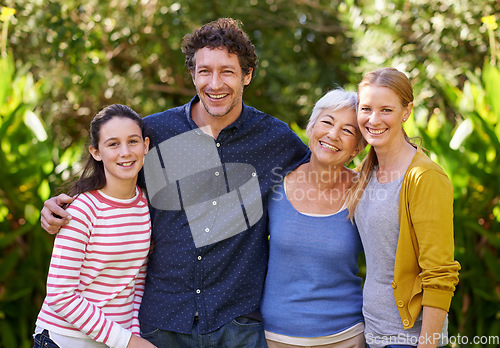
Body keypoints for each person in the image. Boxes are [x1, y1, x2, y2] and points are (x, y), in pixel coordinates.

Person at [40, 18, 309, 347]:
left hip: (237, 322)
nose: (215, 83)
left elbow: (327, 176)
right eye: (204, 71)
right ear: (193, 74)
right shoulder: (155, 133)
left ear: (247, 75)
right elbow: (108, 178)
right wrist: (60, 204)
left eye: (227, 71)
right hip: (162, 323)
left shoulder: (275, 139)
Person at [345, 68, 460, 348]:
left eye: (386, 110)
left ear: (406, 112)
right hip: (372, 333)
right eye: (366, 109)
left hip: (409, 339)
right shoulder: (364, 174)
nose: (374, 119)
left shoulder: (424, 177)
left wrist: (427, 344)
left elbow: (440, 274)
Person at [34, 104, 156, 348]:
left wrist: (133, 335)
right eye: (113, 144)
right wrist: (127, 341)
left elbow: (135, 281)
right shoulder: (83, 209)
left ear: (145, 145)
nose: (125, 152)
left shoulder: (144, 204)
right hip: (65, 340)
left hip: (114, 341)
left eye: (133, 141)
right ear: (96, 152)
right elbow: (60, 295)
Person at [260, 88, 366, 348]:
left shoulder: (364, 192)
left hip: (346, 337)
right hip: (275, 337)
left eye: (348, 131)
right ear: (311, 129)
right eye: (327, 122)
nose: (333, 134)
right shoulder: (274, 183)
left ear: (357, 149)